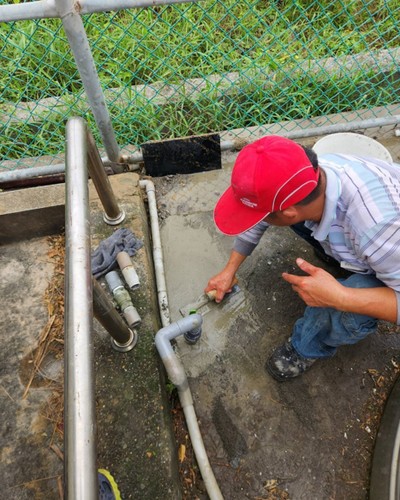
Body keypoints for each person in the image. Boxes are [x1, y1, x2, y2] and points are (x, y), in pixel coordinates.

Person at [205, 135, 400, 382]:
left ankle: (307, 346)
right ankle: (344, 259)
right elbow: (261, 214)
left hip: (390, 253)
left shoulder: (379, 230)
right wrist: (229, 271)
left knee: (338, 305)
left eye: (264, 216)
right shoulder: (307, 175)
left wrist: (340, 297)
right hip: (373, 245)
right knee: (298, 223)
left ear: (287, 211)